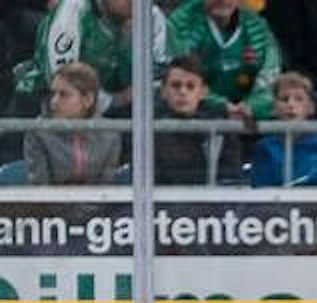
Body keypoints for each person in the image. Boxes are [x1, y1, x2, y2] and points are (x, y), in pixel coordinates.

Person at [11, 0, 164, 115]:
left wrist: (129, 39)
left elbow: (161, 72)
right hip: (44, 99)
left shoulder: (150, 15)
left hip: (113, 106)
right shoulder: (74, 9)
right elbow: (60, 74)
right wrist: (111, 101)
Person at [164, 0, 282, 122]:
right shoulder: (181, 23)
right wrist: (221, 106)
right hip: (196, 117)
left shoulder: (256, 25)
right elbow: (180, 77)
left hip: (249, 120)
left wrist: (250, 107)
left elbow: (270, 75)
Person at [146, 53, 241, 186]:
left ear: (203, 92)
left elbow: (231, 176)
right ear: (163, 91)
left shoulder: (221, 128)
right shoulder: (148, 127)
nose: (183, 92)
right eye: (176, 85)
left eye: (190, 86)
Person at [26, 62, 121, 186]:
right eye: (53, 94)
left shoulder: (109, 133)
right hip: (53, 204)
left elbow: (107, 189)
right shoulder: (38, 132)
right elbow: (40, 191)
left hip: (97, 204)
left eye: (63, 95)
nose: (53, 102)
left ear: (88, 100)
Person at [250, 72, 317, 188]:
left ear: (311, 107)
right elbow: (260, 189)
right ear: (274, 107)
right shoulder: (265, 147)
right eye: (284, 99)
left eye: (298, 99)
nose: (291, 105)